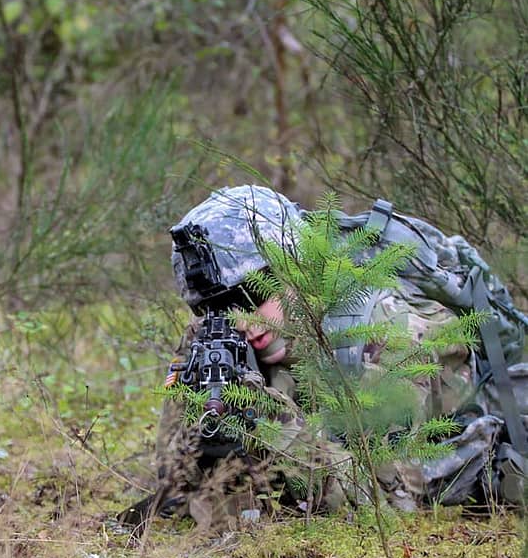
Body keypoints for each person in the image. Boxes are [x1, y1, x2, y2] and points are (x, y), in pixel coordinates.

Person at [126, 184, 525, 531]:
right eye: (218, 308)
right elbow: (173, 479)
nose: (242, 322)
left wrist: (273, 426)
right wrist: (206, 430)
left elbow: (387, 499)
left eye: (251, 296)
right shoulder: (221, 341)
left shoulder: (387, 333)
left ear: (295, 269)